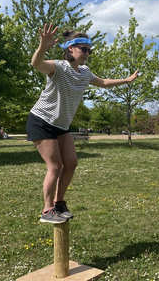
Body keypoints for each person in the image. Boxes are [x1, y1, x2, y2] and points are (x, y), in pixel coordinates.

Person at [26, 23, 139, 224]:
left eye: (90, 50)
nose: (87, 53)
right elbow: (37, 64)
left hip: (61, 125)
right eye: (83, 49)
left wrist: (127, 80)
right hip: (42, 120)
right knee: (55, 166)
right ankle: (47, 210)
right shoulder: (58, 67)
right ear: (71, 48)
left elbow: (103, 82)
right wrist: (43, 46)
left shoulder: (85, 72)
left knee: (71, 163)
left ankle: (59, 202)